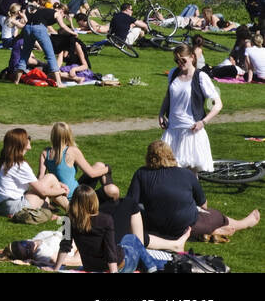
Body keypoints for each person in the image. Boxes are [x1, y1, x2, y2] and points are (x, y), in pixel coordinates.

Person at [126, 140, 258, 245]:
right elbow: (203, 204)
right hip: (186, 226)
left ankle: (210, 233)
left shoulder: (141, 173)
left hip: (155, 227)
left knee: (142, 211)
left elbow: (130, 204)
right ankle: (243, 224)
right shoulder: (186, 174)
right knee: (215, 215)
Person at [159, 44, 222, 172]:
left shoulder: (201, 77)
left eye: (183, 60)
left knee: (190, 173)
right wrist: (161, 114)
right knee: (169, 170)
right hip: (172, 130)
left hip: (191, 131)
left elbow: (218, 104)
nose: (180, 63)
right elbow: (168, 96)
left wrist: (203, 122)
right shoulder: (173, 73)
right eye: (177, 60)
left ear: (192, 57)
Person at [0, 128, 69, 216]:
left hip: (3, 206)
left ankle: (51, 211)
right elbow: (43, 191)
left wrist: (58, 184)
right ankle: (72, 211)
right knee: (50, 178)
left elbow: (36, 184)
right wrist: (62, 190)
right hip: (14, 207)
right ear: (21, 143)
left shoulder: (5, 161)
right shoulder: (20, 164)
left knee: (47, 192)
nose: (29, 139)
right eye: (28, 138)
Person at [40, 121, 119, 202]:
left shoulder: (46, 153)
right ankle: (112, 198)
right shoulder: (72, 151)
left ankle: (110, 194)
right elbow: (92, 174)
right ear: (68, 135)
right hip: (77, 196)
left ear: (53, 135)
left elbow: (40, 178)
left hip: (60, 193)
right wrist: (108, 169)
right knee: (106, 175)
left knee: (99, 165)